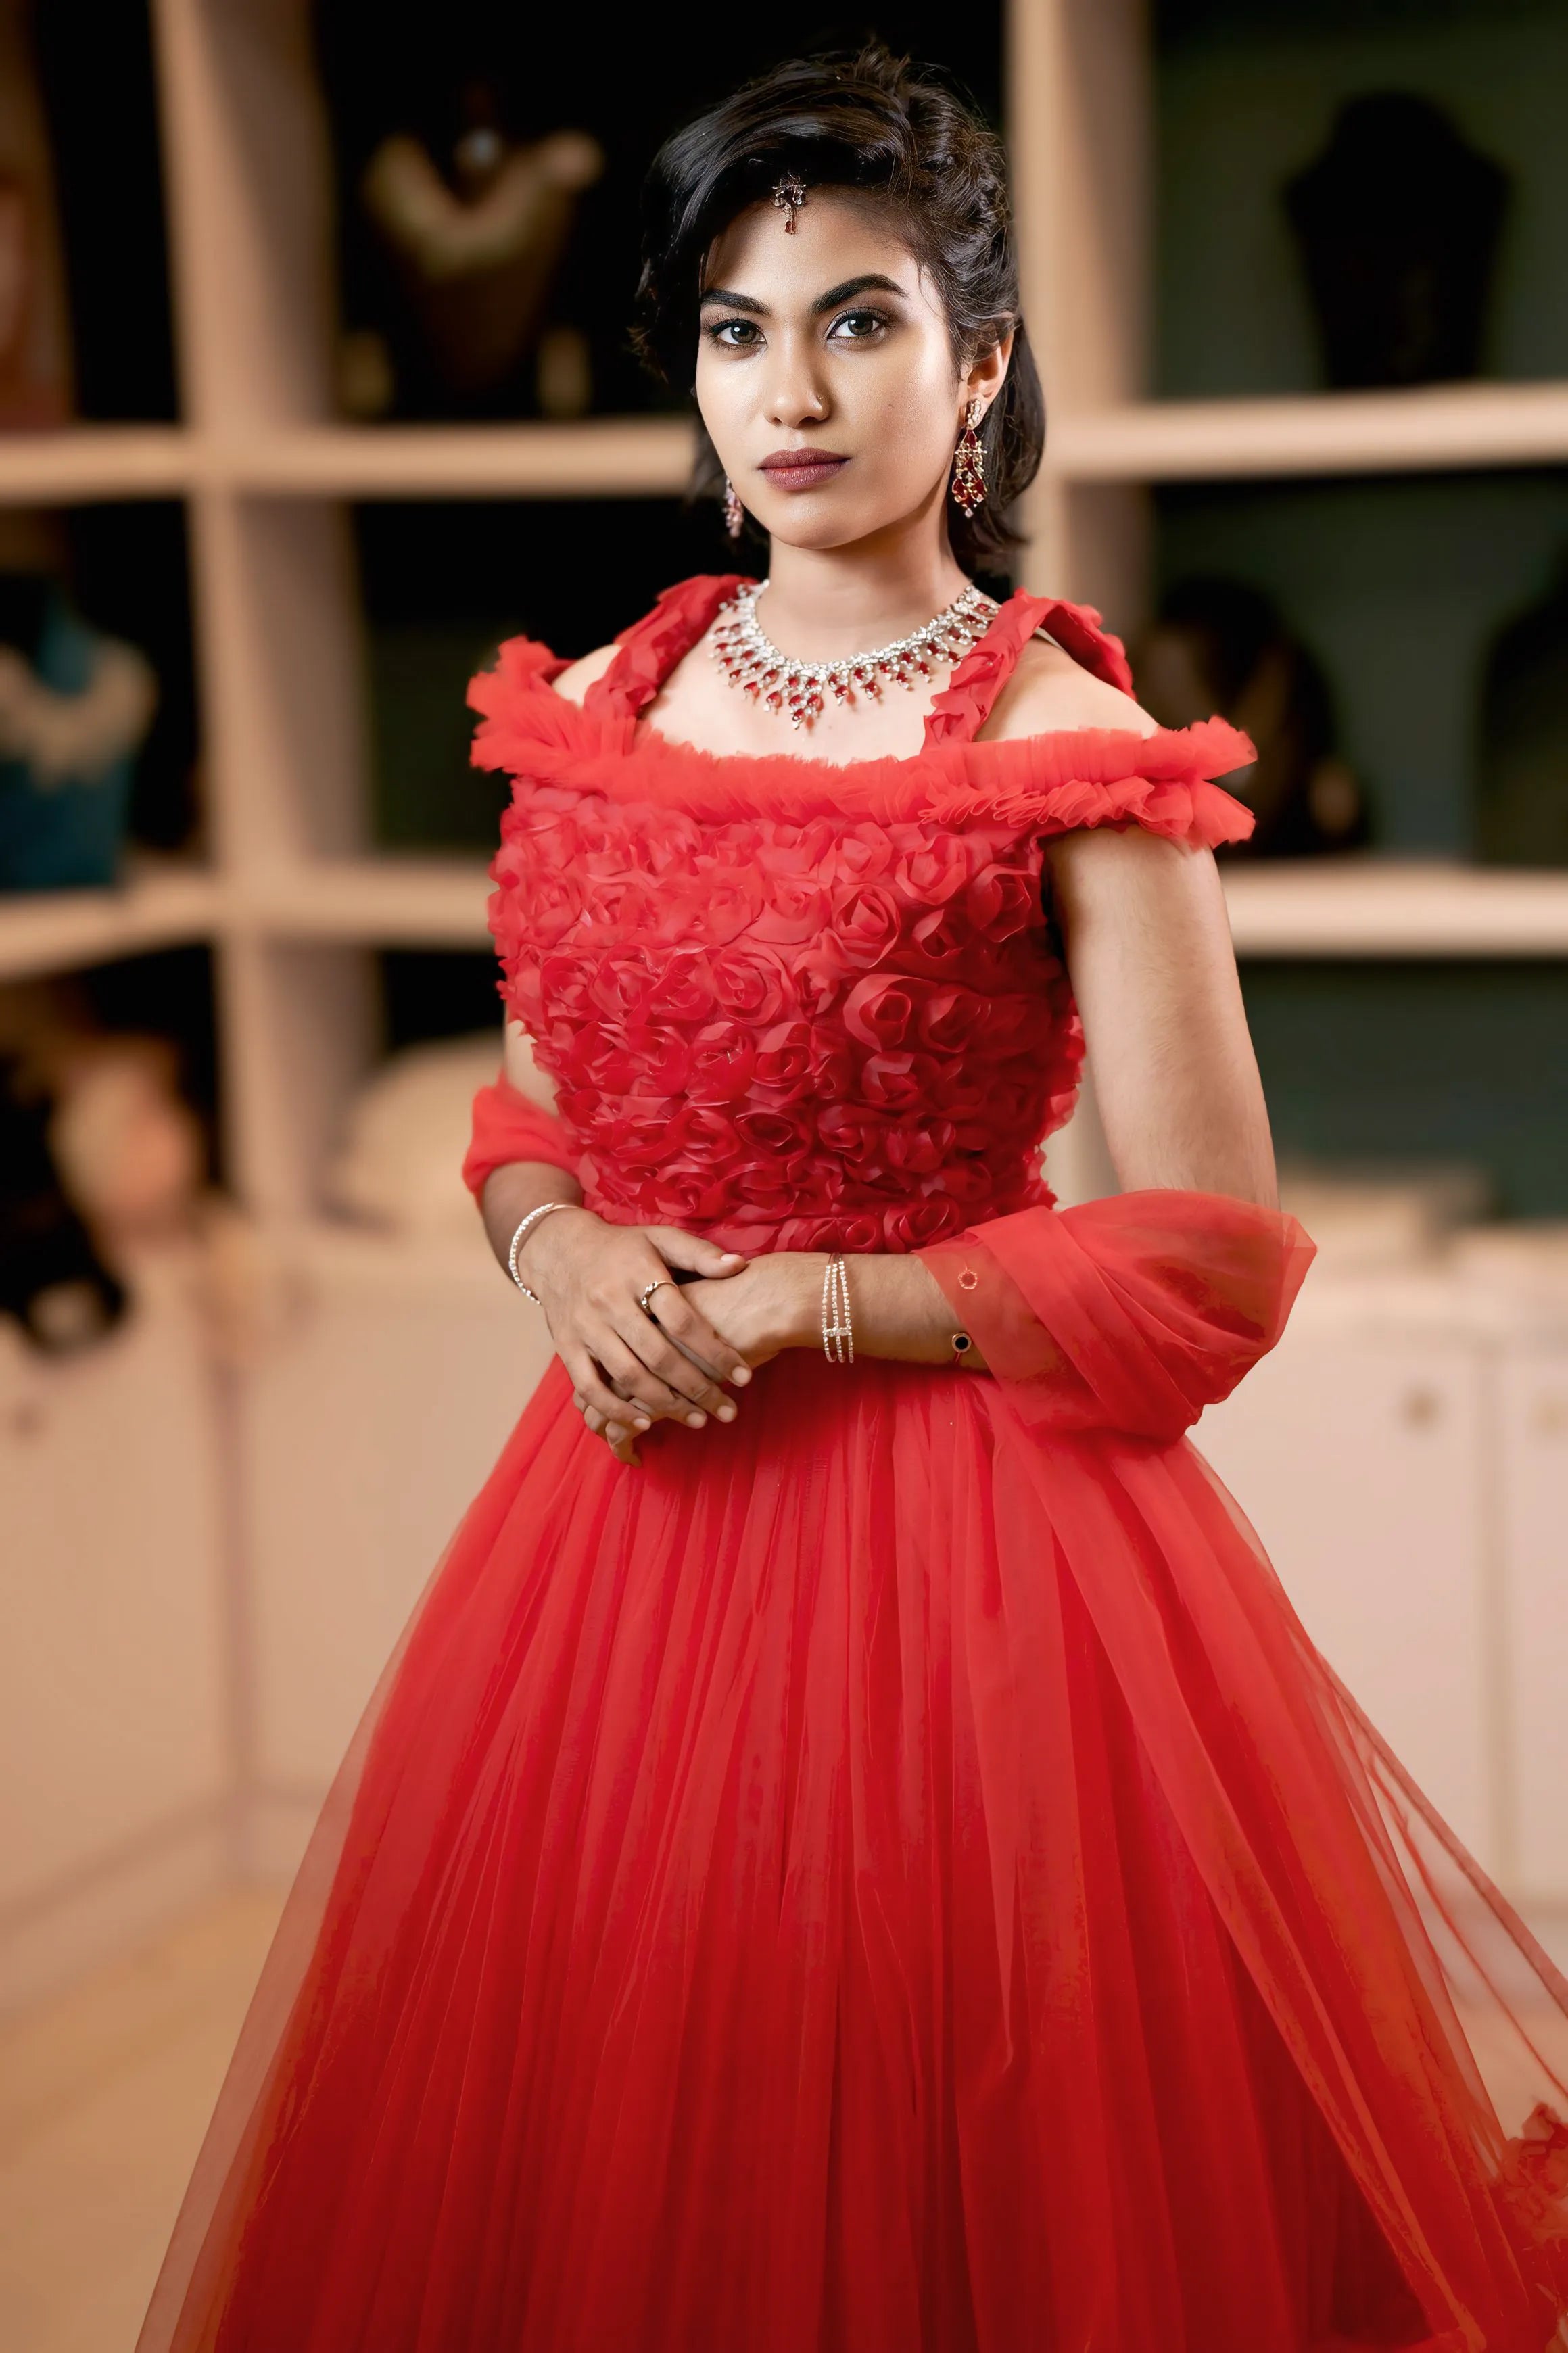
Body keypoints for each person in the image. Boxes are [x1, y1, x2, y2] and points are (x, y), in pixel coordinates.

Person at [137, 43, 1568, 2353]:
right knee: (621, 2150)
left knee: (979, 2160)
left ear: (980, 362)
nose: (789, 390)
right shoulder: (603, 699)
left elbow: (1207, 1254)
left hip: (980, 1558)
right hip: (617, 1547)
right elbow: (525, 1117)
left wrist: (815, 1300)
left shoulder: (1065, 749)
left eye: (860, 318)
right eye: (736, 330)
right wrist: (566, 1246)